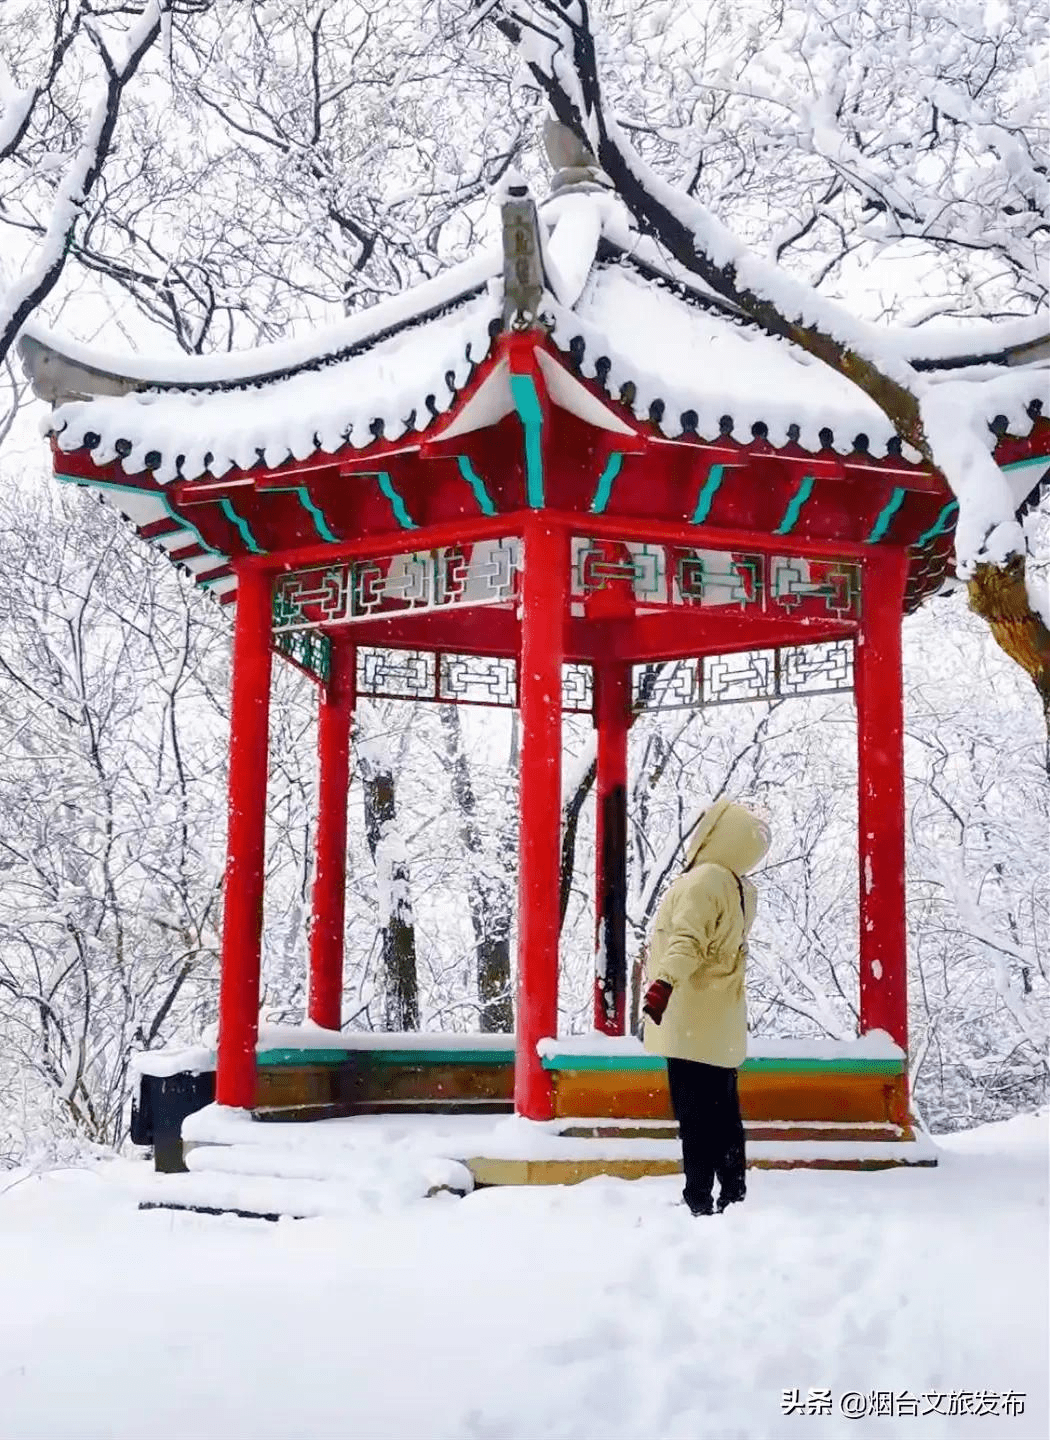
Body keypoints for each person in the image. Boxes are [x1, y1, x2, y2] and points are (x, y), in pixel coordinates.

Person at [642, 798, 770, 1216]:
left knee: (694, 1116)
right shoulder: (740, 887)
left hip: (689, 1015)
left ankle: (698, 1199)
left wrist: (663, 982)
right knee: (724, 1114)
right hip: (720, 1020)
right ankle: (733, 1193)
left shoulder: (704, 880)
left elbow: (688, 942)